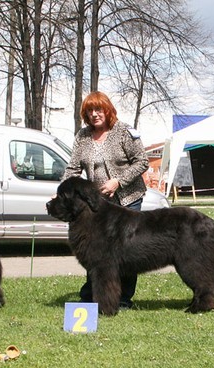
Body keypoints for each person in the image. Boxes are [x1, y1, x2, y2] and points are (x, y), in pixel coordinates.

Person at [63, 91, 149, 309]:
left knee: (127, 254)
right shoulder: (82, 136)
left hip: (128, 199)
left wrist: (118, 181)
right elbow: (73, 168)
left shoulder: (124, 131)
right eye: (90, 111)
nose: (94, 114)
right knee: (97, 253)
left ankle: (124, 299)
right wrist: (61, 190)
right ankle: (94, 294)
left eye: (98, 109)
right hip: (99, 206)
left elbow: (142, 161)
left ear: (107, 110)